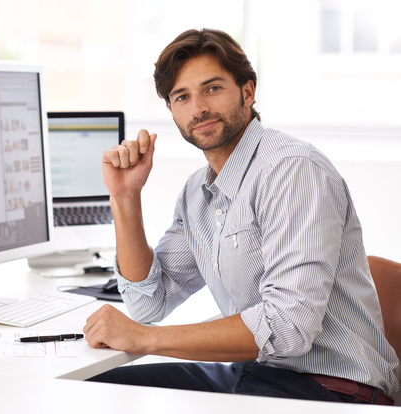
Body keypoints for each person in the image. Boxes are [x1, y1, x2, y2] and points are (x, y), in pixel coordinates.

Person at [82, 28, 399, 405]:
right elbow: (149, 302)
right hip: (256, 374)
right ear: (171, 110)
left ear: (247, 92)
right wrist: (125, 197)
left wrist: (146, 340)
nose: (197, 108)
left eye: (212, 89)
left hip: (328, 390)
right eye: (182, 97)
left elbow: (288, 329)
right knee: (98, 391)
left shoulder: (292, 170)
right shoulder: (198, 193)